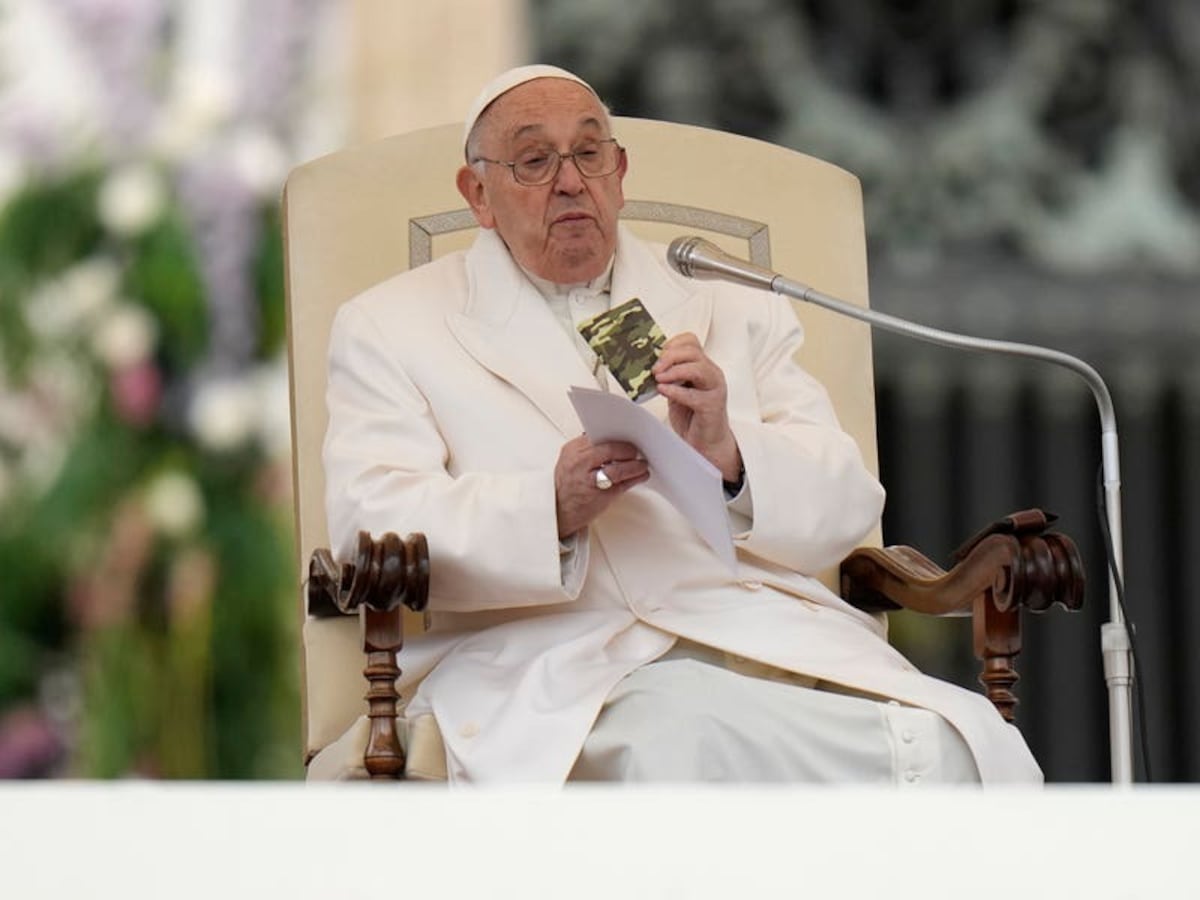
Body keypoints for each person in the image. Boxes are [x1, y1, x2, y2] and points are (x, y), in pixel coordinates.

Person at [322, 64, 1042, 785]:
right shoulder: (390, 326)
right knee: (683, 730)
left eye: (589, 153)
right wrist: (548, 507)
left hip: (763, 640)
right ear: (477, 194)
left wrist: (731, 456)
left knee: (962, 746)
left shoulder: (731, 301)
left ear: (621, 172)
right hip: (553, 667)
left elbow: (848, 502)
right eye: (534, 160)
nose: (570, 181)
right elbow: (371, 522)